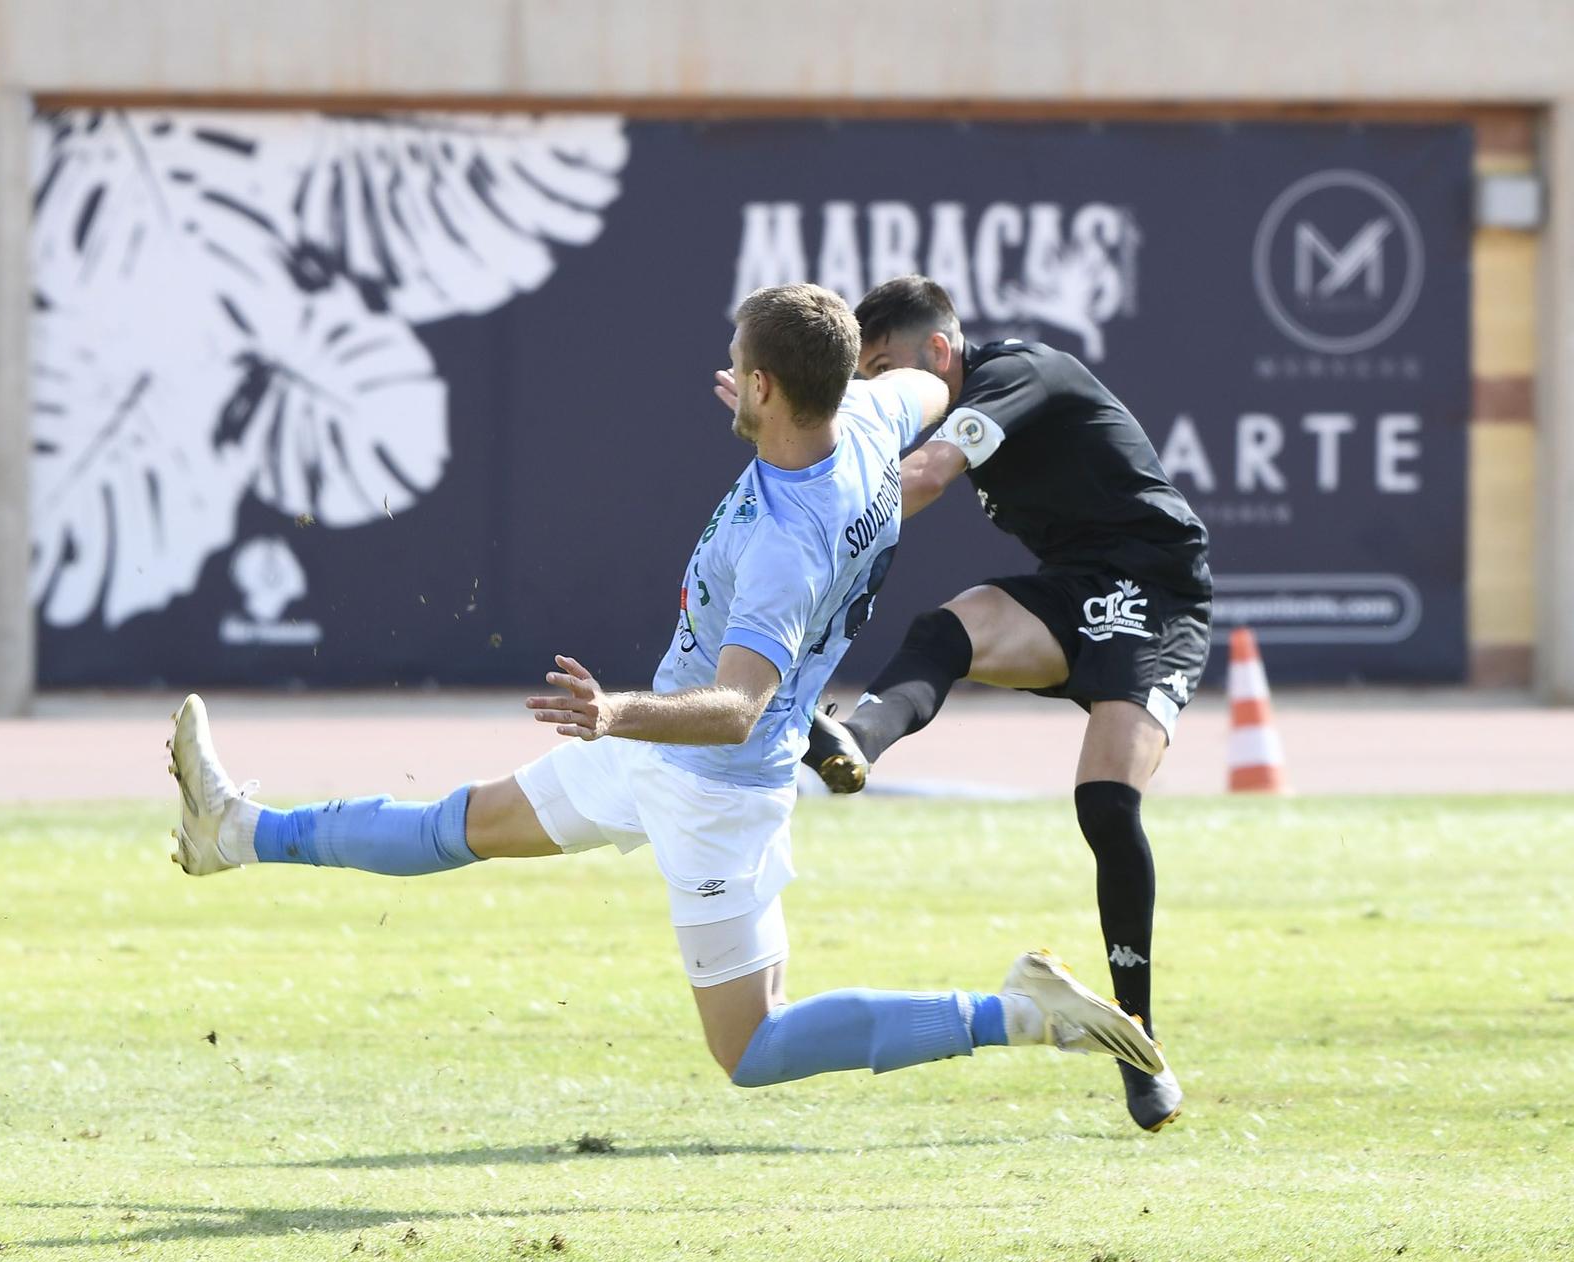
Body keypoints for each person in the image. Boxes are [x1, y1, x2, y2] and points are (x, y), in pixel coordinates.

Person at [167, 281, 1166, 1100]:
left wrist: (611, 713)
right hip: (654, 750)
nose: (728, 374)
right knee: (452, 825)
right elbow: (926, 391)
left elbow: (732, 706)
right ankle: (235, 830)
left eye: (743, 366)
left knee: (753, 1049)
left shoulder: (787, 544)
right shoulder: (868, 411)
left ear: (766, 386)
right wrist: (786, 399)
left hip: (712, 781)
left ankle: (1016, 1010)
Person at [785, 275, 1210, 1132]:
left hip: (1155, 598)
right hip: (1068, 593)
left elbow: (929, 476)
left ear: (938, 353)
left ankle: (1138, 1034)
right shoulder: (918, 399)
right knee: (946, 629)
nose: (876, 388)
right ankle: (857, 744)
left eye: (883, 367)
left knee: (1105, 803)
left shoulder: (1021, 369)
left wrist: (816, 530)